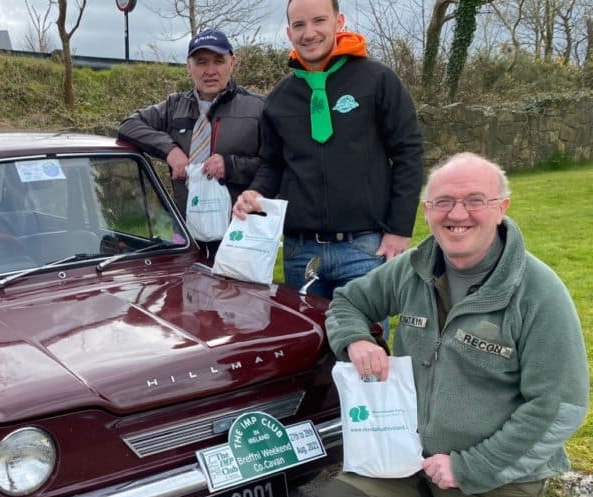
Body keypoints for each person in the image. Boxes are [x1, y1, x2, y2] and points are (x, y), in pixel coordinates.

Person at [311, 152, 589, 497]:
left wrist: (468, 465)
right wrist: (356, 341)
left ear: (503, 208)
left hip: (497, 473)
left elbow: (560, 408)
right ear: (426, 212)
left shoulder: (538, 293)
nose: (457, 214)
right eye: (443, 202)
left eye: (474, 200)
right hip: (416, 454)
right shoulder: (416, 267)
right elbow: (347, 302)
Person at [232, 0, 422, 297]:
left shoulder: (378, 80)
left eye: (319, 21)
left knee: (364, 342)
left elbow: (408, 153)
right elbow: (272, 164)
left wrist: (399, 229)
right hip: (301, 252)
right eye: (299, 25)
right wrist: (256, 193)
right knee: (309, 342)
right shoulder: (279, 98)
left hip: (364, 247)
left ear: (339, 21)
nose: (309, 33)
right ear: (288, 32)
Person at [118, 28, 264, 260]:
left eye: (219, 61)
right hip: (187, 240)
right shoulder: (174, 106)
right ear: (188, 66)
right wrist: (170, 150)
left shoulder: (258, 109)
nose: (210, 71)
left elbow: (274, 167)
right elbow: (129, 125)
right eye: (201, 62)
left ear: (232, 63)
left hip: (240, 237)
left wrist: (232, 166)